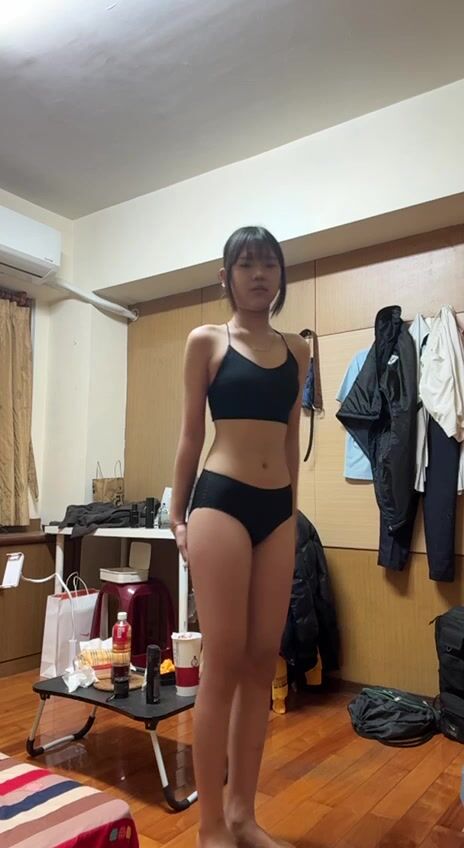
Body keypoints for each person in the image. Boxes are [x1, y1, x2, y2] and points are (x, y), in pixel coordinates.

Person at [170, 226, 309, 848]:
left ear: (281, 276)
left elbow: (290, 440)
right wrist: (177, 516)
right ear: (225, 276)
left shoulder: (297, 350)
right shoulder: (208, 341)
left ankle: (242, 816)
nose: (259, 275)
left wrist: (292, 514)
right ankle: (209, 829)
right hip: (220, 503)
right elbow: (190, 437)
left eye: (269, 265)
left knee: (261, 661)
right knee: (223, 661)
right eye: (246, 265)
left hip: (277, 512)